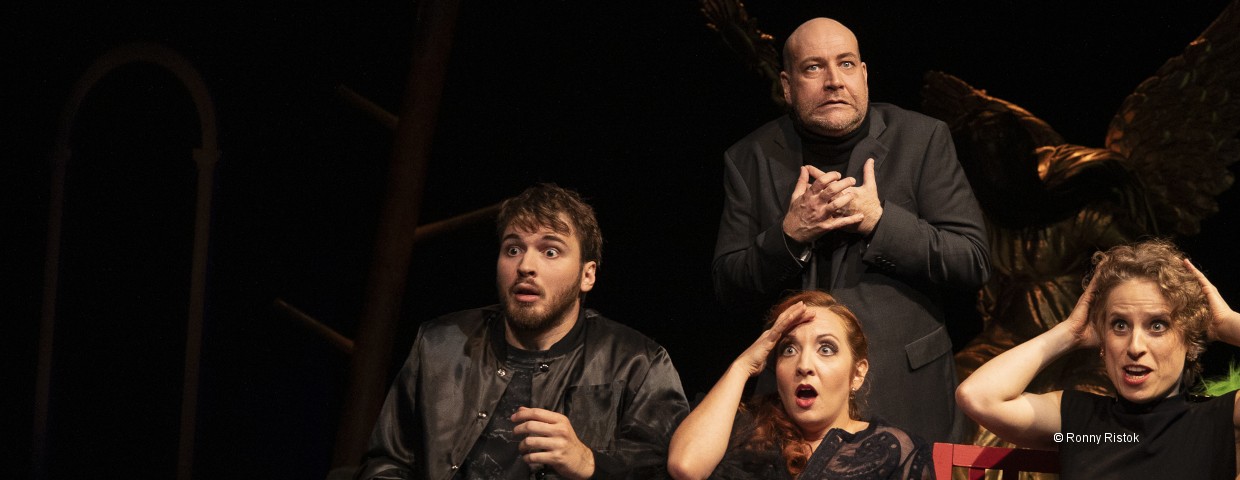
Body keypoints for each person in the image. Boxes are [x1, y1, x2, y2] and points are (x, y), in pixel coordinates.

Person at [712, 17, 990, 443]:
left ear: (863, 74)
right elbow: (729, 284)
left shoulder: (922, 138)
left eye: (845, 64)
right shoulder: (749, 158)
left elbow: (972, 259)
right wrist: (789, 236)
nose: (834, 81)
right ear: (787, 85)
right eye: (813, 67)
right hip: (797, 401)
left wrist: (880, 222)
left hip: (906, 387)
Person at [355, 184, 690, 480]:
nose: (525, 266)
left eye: (550, 251)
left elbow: (664, 470)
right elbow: (387, 463)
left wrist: (590, 463)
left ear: (587, 276)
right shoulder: (440, 345)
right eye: (513, 249)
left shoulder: (638, 363)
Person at [957, 239, 1240, 479]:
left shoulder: (1222, 420)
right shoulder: (1080, 422)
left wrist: (1227, 324)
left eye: (1157, 325)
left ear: (1189, 340)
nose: (1135, 346)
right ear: (1102, 340)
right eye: (1120, 325)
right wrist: (1068, 333)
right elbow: (978, 396)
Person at [667, 290, 932, 480]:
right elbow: (685, 467)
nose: (804, 365)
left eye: (826, 349)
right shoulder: (744, 431)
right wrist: (742, 366)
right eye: (789, 350)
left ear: (857, 373)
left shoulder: (894, 450)